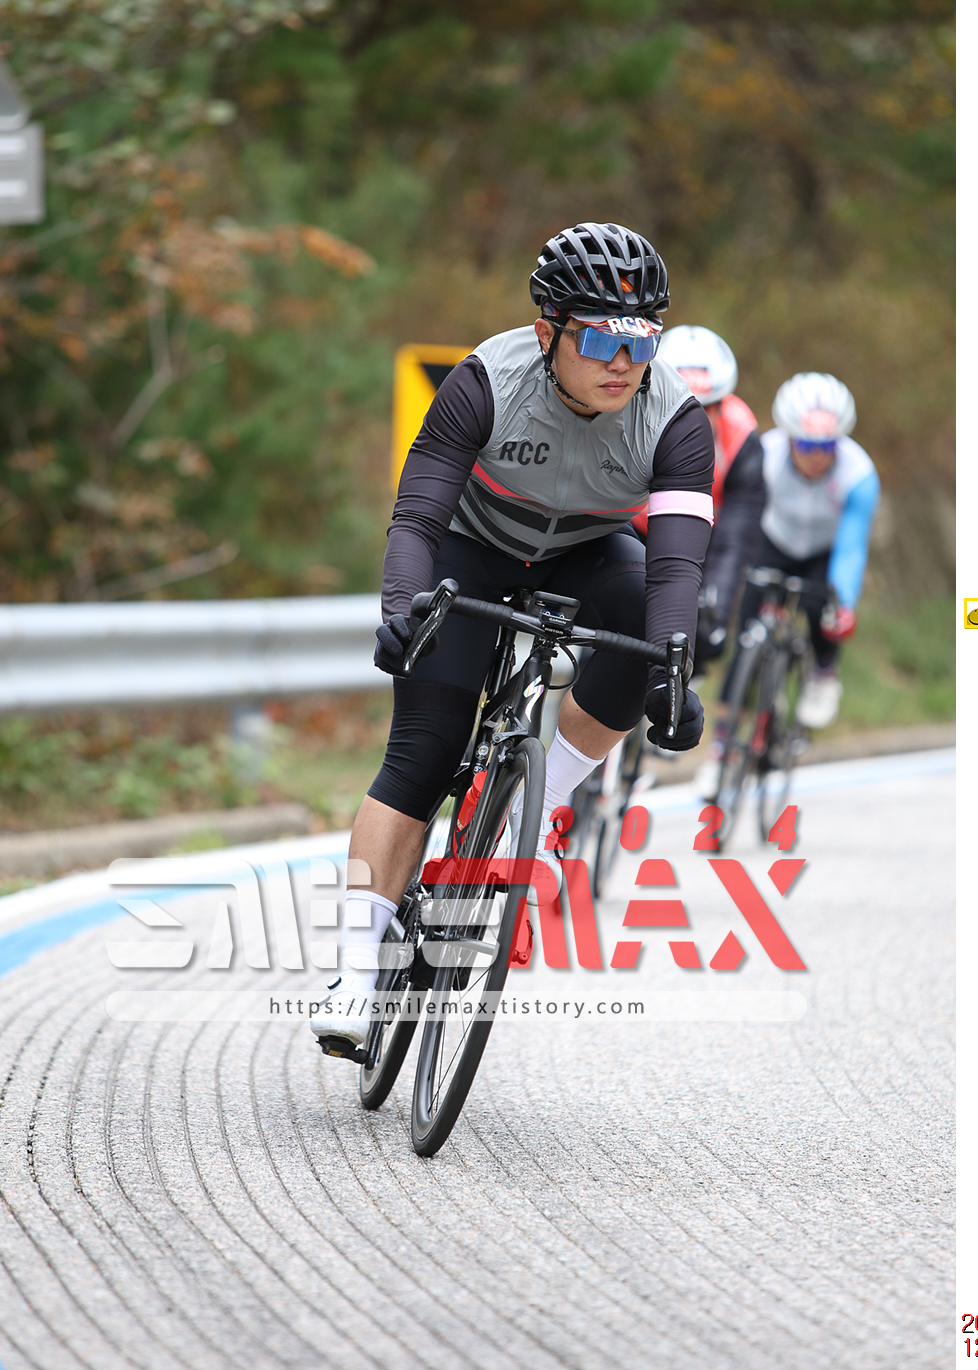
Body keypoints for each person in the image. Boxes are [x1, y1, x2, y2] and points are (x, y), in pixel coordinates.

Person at [312, 222, 716, 1056]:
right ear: (547, 332)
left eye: (642, 340)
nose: (623, 361)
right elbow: (418, 515)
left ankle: (545, 797)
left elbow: (677, 569)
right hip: (471, 546)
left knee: (645, 627)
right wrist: (404, 609)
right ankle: (353, 974)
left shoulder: (676, 417)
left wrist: (673, 675)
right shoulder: (485, 381)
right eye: (599, 338)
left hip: (587, 551)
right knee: (423, 753)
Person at [701, 372, 879, 787]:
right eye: (806, 444)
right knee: (746, 636)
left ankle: (823, 672)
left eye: (826, 446)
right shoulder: (764, 454)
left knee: (822, 606)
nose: (816, 456)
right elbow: (741, 518)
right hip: (774, 540)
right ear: (789, 436)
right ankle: (721, 750)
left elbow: (852, 547)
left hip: (825, 550)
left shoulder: (858, 474)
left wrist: (844, 603)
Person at [646, 324, 765, 678]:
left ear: (724, 402)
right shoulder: (629, 416)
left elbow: (735, 538)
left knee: (699, 632)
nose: (695, 416)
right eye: (682, 401)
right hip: (634, 525)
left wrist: (716, 607)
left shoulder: (741, 434)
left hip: (700, 535)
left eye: (708, 406)